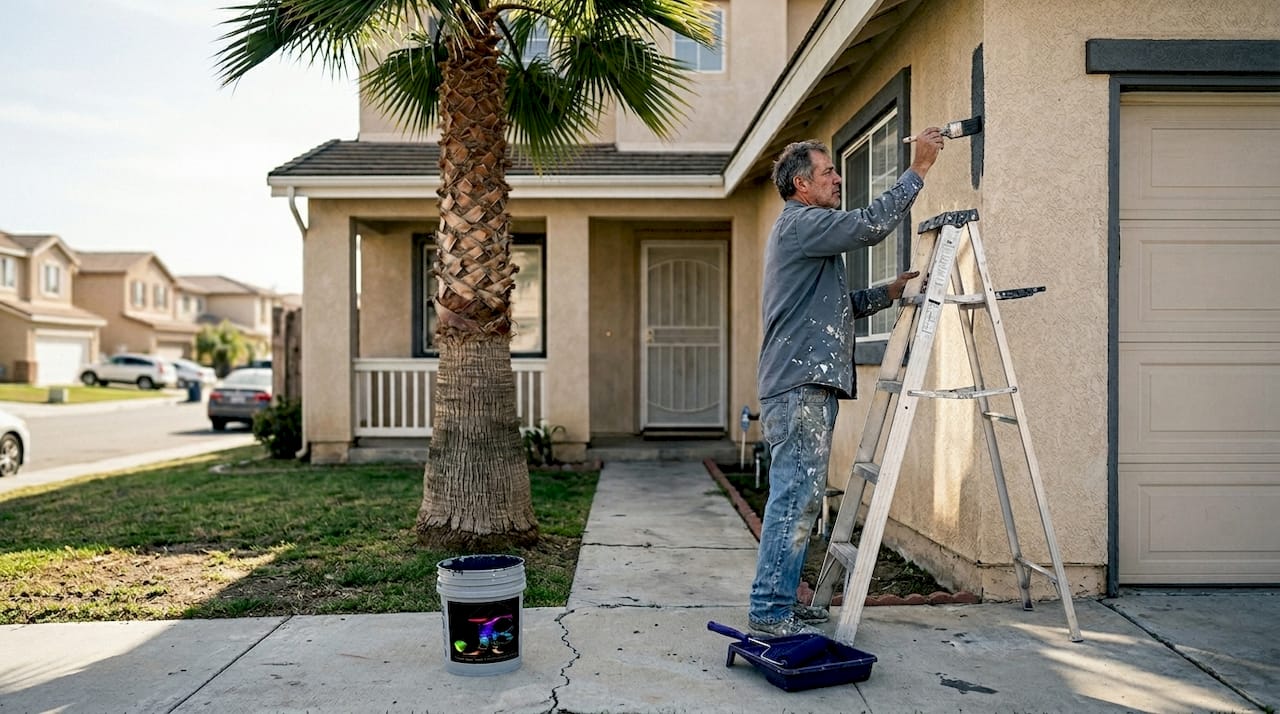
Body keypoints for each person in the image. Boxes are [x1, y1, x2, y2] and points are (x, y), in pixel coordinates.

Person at [749, 129, 944, 636]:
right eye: (828, 172)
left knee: (802, 497)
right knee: (795, 499)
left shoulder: (805, 234)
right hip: (799, 387)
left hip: (803, 385)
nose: (838, 178)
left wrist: (886, 293)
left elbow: (835, 307)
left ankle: (781, 603)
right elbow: (868, 225)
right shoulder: (802, 224)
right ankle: (769, 611)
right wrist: (918, 168)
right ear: (801, 184)